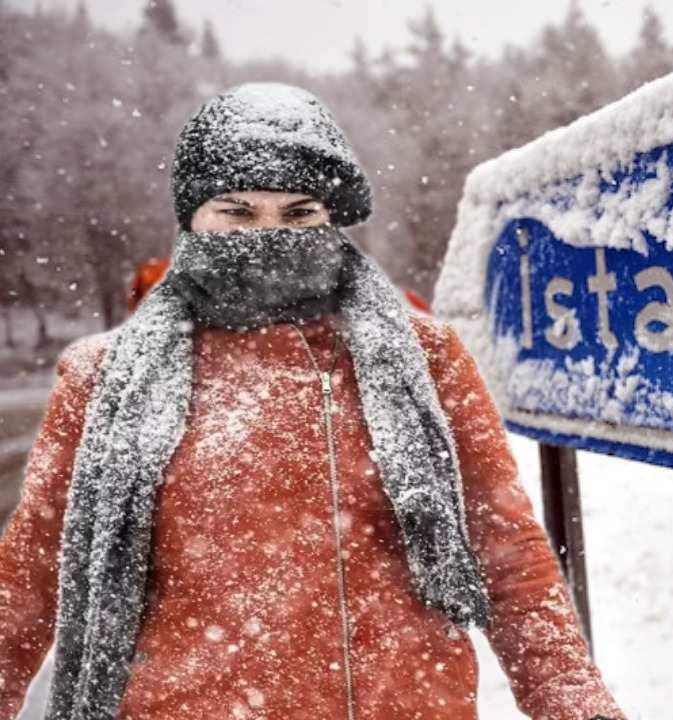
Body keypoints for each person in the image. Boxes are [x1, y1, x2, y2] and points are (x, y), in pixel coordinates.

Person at [0, 83, 624, 720]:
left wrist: (573, 700)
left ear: (331, 220)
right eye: (237, 212)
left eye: (299, 214)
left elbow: (507, 552)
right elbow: (29, 578)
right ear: (191, 217)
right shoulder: (104, 378)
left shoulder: (422, 357)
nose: (269, 234)